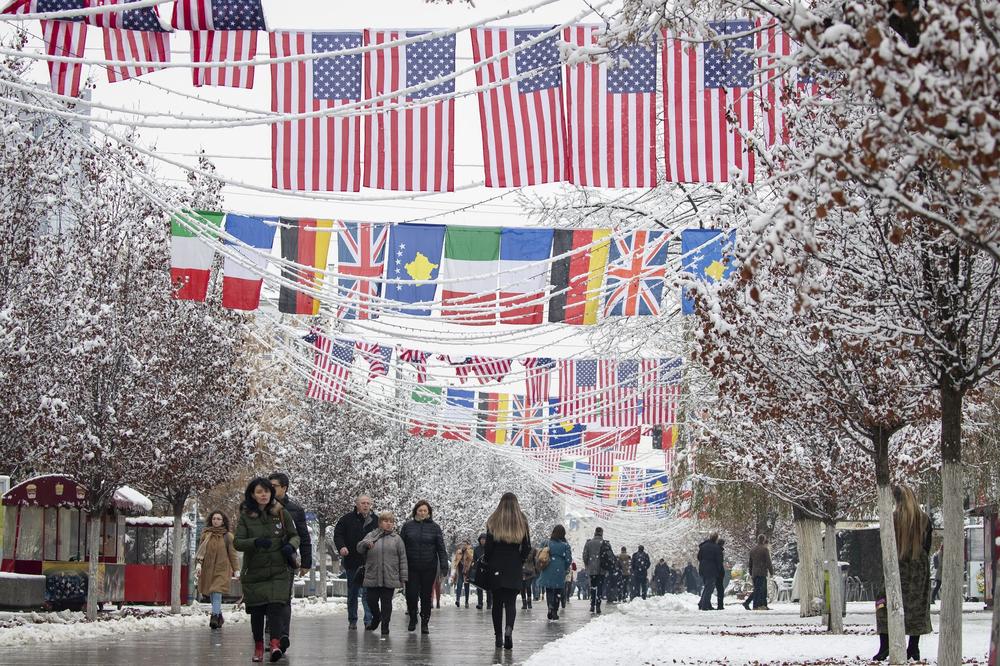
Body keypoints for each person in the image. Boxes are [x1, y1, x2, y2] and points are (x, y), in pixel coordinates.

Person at [233, 477, 299, 663]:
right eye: (259, 492)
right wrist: (255, 542)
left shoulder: (281, 513)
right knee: (257, 611)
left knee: (275, 608)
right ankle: (259, 646)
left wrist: (291, 546)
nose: (264, 495)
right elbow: (237, 542)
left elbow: (295, 536)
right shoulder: (246, 516)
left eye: (267, 491)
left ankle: (275, 644)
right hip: (255, 572)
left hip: (279, 570)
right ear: (252, 495)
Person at [873, 485, 933, 662]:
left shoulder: (892, 518)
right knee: (917, 606)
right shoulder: (924, 519)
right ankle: (913, 646)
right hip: (919, 568)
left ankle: (884, 645)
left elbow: (884, 543)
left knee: (882, 603)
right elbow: (927, 546)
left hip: (896, 566)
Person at [267, 473, 312, 650]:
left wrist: (306, 562)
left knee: (284, 598)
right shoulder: (261, 507)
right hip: (265, 560)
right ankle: (271, 634)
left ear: (284, 488)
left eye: (274, 486)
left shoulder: (295, 510)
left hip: (286, 559)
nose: (269, 489)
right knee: (268, 599)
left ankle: (283, 635)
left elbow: (304, 536)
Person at [484, 492, 531, 651]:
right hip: (513, 564)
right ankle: (508, 629)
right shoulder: (522, 520)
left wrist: (489, 560)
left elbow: (488, 547)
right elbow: (527, 546)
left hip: (496, 564)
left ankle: (498, 636)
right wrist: (520, 559)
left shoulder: (493, 519)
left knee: (497, 602)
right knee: (510, 602)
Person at [399, 500, 448, 634]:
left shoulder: (435, 528)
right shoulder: (407, 526)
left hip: (429, 567)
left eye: (425, 511)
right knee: (411, 594)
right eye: (420, 510)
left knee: (426, 596)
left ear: (429, 513)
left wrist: (444, 566)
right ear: (416, 511)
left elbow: (441, 548)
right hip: (411, 566)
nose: (422, 513)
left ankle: (425, 621)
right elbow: (401, 547)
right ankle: (413, 617)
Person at [357, 510, 407, 636]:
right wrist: (365, 544)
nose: (388, 524)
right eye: (385, 521)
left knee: (386, 603)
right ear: (380, 523)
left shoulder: (397, 539)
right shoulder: (372, 535)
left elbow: (403, 558)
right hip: (372, 574)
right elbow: (359, 548)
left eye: (391, 522)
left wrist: (403, 577)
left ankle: (385, 626)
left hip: (390, 575)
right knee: (371, 600)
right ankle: (377, 617)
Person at [333, 495, 375, 629]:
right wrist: (342, 547)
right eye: (363, 503)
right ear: (357, 504)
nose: (366, 505)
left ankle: (368, 620)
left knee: (368, 593)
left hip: (370, 563)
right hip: (352, 561)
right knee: (353, 592)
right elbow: (338, 535)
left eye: (368, 503)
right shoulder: (346, 519)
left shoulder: (375, 520)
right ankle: (352, 620)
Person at [196, 510, 239, 629]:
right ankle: (219, 616)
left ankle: (214, 617)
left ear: (223, 521)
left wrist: (236, 570)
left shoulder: (228, 536)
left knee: (216, 591)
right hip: (208, 569)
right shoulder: (206, 535)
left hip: (222, 570)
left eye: (218, 519)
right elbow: (201, 551)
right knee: (211, 593)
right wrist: (198, 565)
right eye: (214, 518)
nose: (216, 521)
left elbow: (233, 555)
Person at [536, 524, 572, 620]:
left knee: (549, 590)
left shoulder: (546, 543)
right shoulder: (565, 545)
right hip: (559, 570)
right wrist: (564, 568)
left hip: (547, 568)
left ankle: (550, 607)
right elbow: (568, 560)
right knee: (557, 591)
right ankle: (555, 611)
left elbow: (539, 555)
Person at [743, 535, 774, 611]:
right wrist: (771, 571)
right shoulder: (765, 549)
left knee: (760, 589)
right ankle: (752, 604)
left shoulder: (753, 550)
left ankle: (763, 605)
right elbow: (768, 562)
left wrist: (751, 572)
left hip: (754, 572)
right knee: (759, 589)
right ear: (763, 540)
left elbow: (750, 563)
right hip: (761, 572)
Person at [582, 527, 607, 614]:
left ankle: (592, 605)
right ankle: (598, 605)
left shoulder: (589, 543)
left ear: (595, 533)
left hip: (592, 569)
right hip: (602, 569)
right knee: (600, 587)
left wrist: (587, 564)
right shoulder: (605, 543)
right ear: (602, 533)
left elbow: (585, 556)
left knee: (593, 587)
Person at [697, 532, 723, 610]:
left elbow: (699, 557)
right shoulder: (716, 548)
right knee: (709, 588)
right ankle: (705, 605)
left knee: (707, 587)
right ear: (716, 539)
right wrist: (718, 569)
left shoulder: (703, 546)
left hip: (703, 568)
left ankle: (702, 603)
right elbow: (719, 560)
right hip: (712, 569)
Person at [451, 540, 474, 608]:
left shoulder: (470, 551)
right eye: (462, 544)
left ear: (467, 545)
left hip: (467, 571)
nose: (463, 545)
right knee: (459, 584)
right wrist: (454, 566)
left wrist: (467, 551)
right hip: (460, 571)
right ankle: (457, 600)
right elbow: (456, 560)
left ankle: (466, 602)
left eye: (465, 544)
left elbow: (471, 558)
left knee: (466, 586)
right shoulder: (459, 551)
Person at [472, 533, 492, 610]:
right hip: (479, 570)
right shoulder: (476, 549)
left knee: (488, 587)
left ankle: (489, 603)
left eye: (484, 539)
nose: (483, 540)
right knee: (479, 587)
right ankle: (480, 603)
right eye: (481, 539)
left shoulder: (489, 548)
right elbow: (474, 559)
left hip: (488, 569)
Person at [520, 544, 538, 609]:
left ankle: (529, 603)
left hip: (530, 572)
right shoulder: (519, 549)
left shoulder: (533, 550)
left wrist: (536, 569)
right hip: (521, 571)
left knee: (528, 586)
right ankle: (524, 604)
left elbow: (535, 560)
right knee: (522, 588)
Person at [716, 539, 728, 610]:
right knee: (720, 589)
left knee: (717, 588)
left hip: (715, 572)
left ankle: (719, 605)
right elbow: (719, 562)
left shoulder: (716, 550)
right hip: (719, 572)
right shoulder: (719, 551)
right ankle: (720, 605)